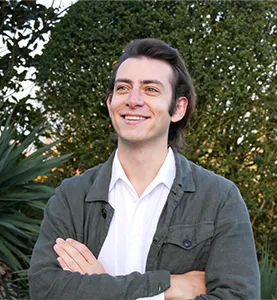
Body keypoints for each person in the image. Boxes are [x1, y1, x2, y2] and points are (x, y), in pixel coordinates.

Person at [28, 38, 260, 299]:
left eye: (151, 89)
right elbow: (44, 289)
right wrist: (165, 289)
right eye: (124, 88)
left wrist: (100, 285)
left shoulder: (219, 198)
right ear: (110, 102)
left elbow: (238, 296)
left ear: (178, 108)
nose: (133, 100)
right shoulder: (72, 196)